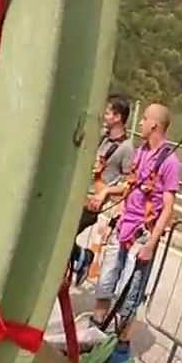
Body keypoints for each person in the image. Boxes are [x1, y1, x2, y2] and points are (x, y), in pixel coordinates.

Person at [90, 103, 182, 363]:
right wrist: (108, 191)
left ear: (155, 124)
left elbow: (167, 208)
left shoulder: (170, 162)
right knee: (106, 283)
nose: (140, 123)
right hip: (123, 227)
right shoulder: (140, 152)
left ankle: (120, 347)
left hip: (141, 235)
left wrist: (151, 244)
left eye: (144, 119)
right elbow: (132, 187)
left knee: (128, 294)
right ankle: (96, 331)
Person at [71, 95, 136, 284]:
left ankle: (83, 256)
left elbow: (128, 184)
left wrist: (106, 192)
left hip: (94, 202)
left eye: (108, 112)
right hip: (80, 195)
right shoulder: (102, 138)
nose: (104, 116)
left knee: (62, 239)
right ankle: (78, 257)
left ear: (117, 117)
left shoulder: (126, 148)